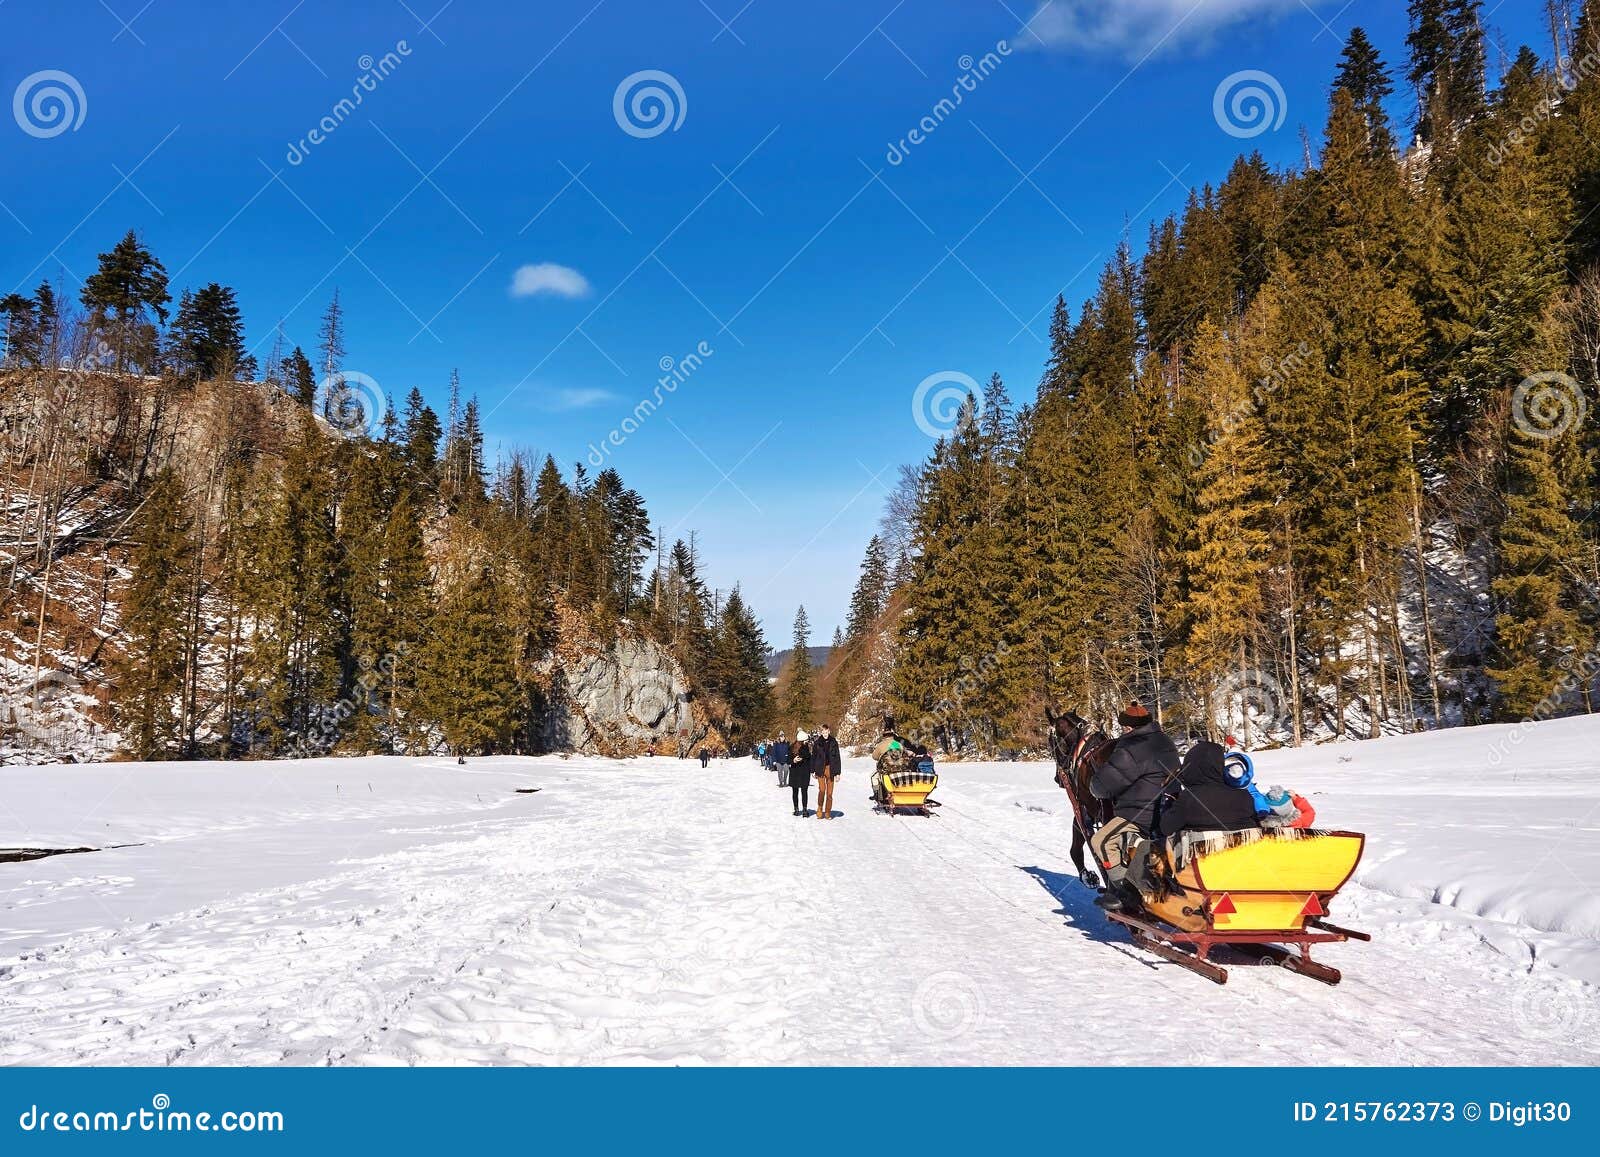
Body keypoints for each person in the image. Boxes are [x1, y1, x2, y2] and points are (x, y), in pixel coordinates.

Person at [1088, 702, 1178, 913]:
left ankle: (1126, 892)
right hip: (1168, 807)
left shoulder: (1130, 749)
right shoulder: (1165, 740)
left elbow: (1100, 787)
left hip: (1139, 814)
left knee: (1101, 841)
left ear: (1128, 728)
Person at [1157, 738, 1258, 838]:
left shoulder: (1188, 799)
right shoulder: (1243, 795)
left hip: (1202, 852)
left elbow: (1165, 828)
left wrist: (1169, 798)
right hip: (1243, 850)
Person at [869, 716, 924, 805]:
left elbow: (874, 757)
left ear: (884, 736)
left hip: (887, 771)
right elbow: (905, 754)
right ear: (892, 736)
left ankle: (877, 795)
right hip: (901, 770)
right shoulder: (898, 744)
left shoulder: (880, 745)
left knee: (874, 777)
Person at [813, 723, 842, 820]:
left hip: (831, 768)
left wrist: (838, 773)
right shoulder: (817, 743)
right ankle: (820, 808)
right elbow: (814, 757)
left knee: (829, 794)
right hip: (820, 769)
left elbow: (837, 757)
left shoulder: (834, 742)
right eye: (823, 732)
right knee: (822, 790)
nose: (825, 733)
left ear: (829, 731)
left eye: (826, 732)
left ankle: (828, 812)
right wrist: (813, 770)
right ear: (821, 732)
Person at [789, 730, 812, 816]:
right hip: (795, 772)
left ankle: (805, 810)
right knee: (795, 791)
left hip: (804, 772)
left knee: (804, 791)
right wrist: (793, 760)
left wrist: (811, 770)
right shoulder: (792, 747)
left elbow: (810, 759)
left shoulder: (808, 747)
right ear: (801, 740)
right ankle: (796, 809)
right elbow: (788, 760)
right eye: (806, 740)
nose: (807, 741)